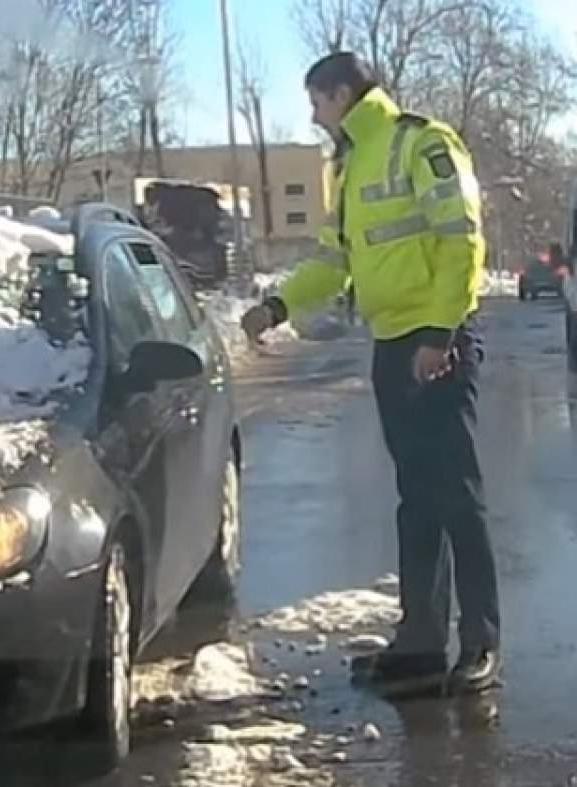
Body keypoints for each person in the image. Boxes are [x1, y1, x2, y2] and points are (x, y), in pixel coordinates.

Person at [241, 52, 500, 696]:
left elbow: (461, 240)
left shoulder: (421, 142)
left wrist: (440, 332)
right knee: (417, 497)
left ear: (340, 95)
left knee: (456, 494)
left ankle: (480, 642)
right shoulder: (352, 164)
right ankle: (420, 641)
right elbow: (336, 261)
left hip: (436, 339)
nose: (312, 115)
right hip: (392, 343)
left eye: (316, 102)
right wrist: (279, 305)